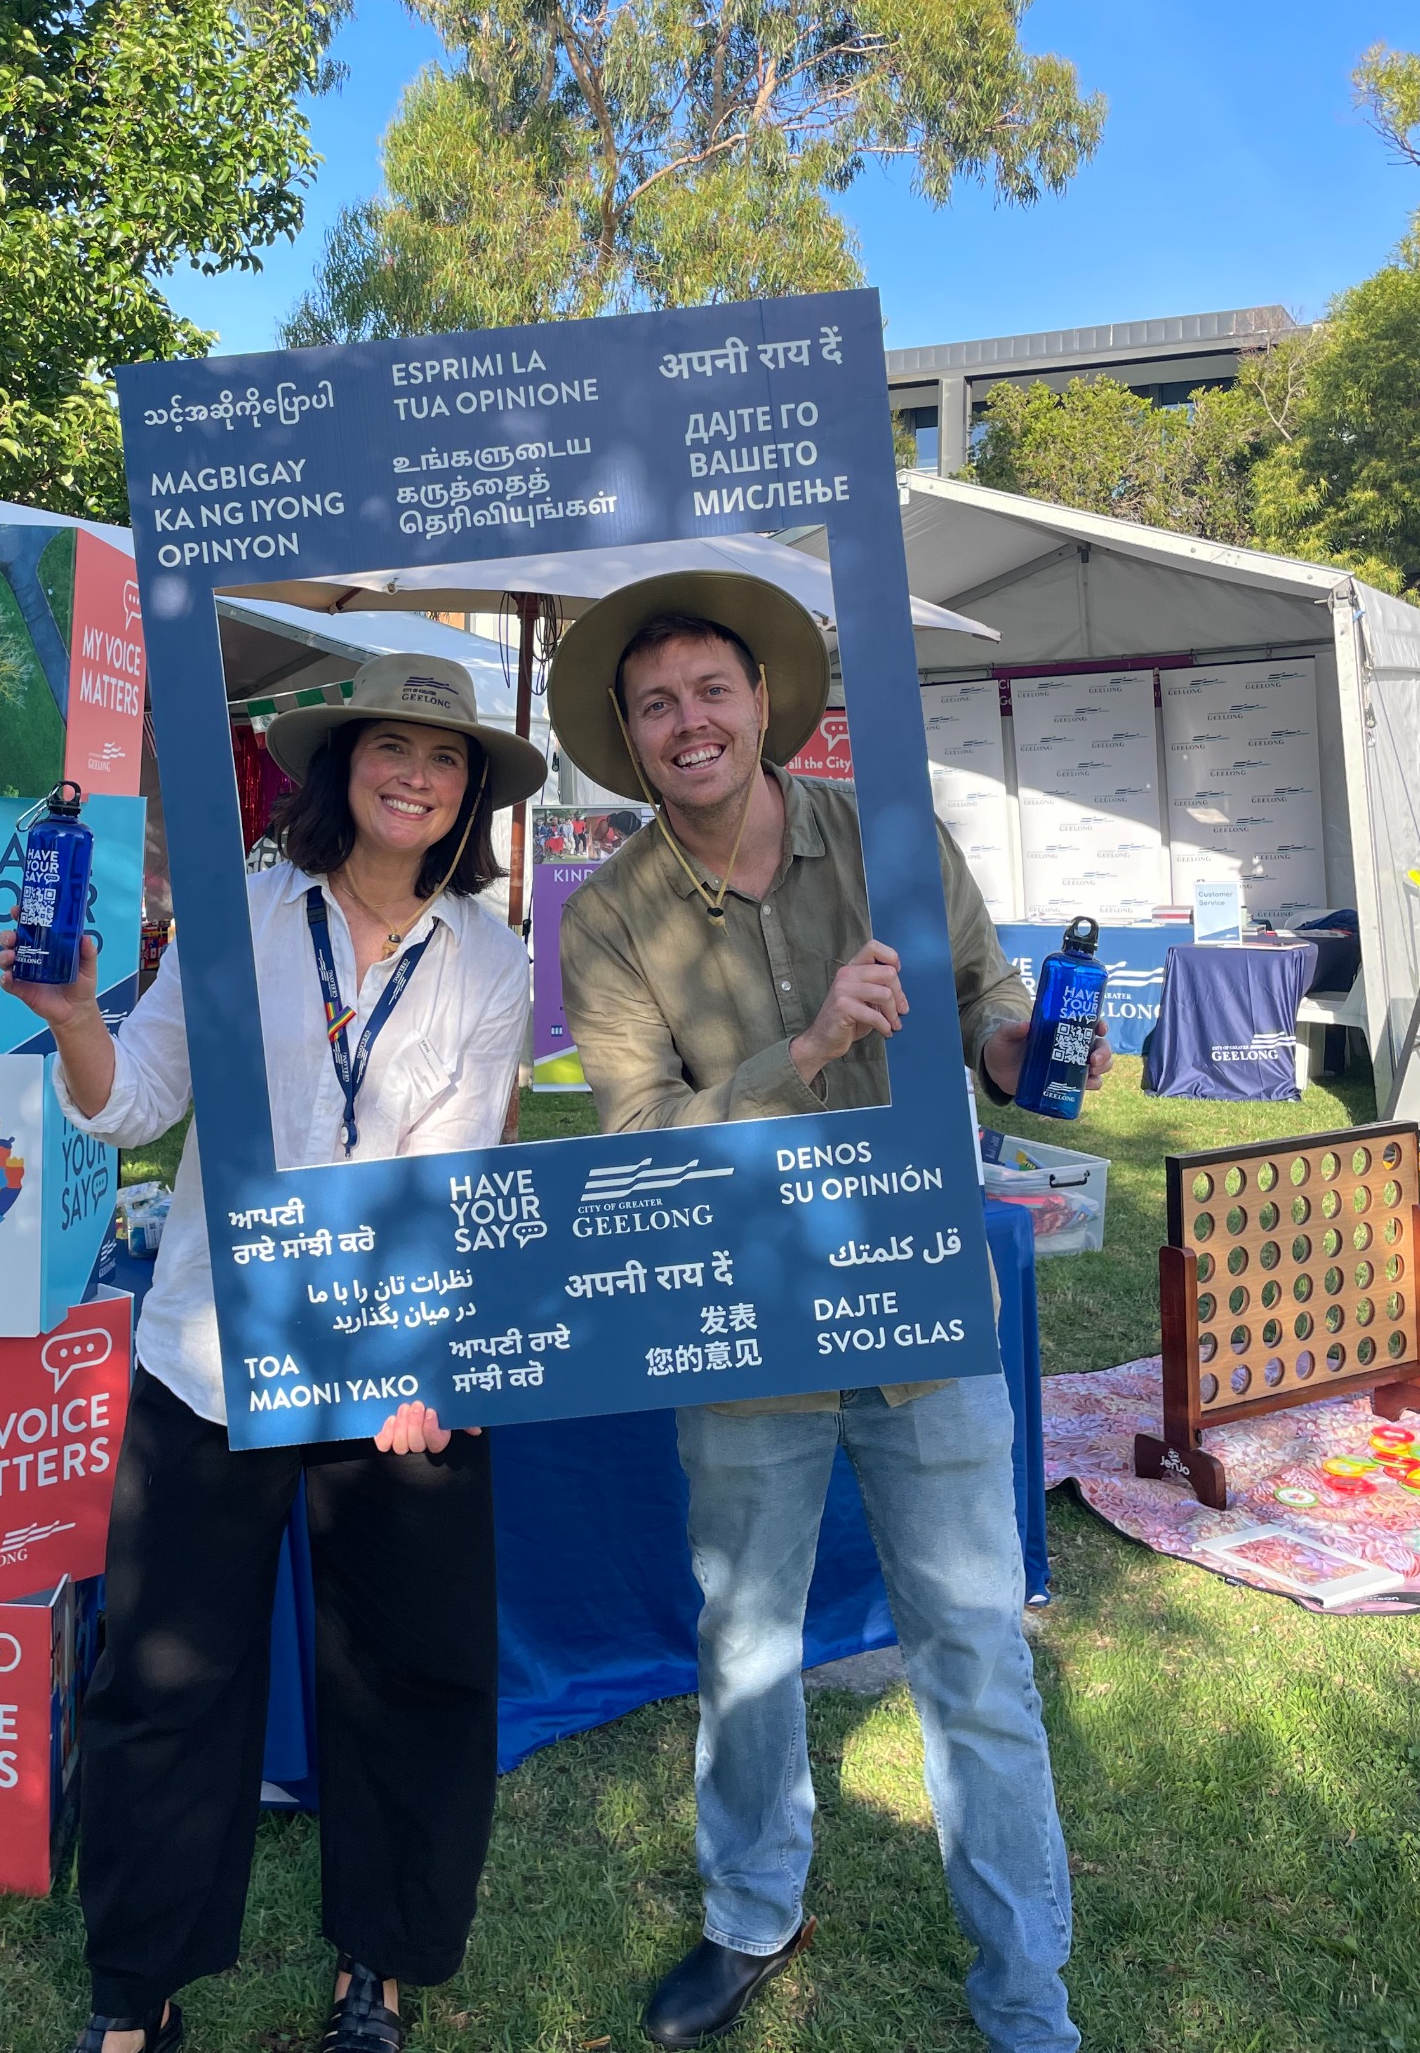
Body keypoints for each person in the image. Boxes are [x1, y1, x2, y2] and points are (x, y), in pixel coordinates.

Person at [549, 571, 1109, 2053]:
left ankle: (1024, 1985)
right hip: (743, 1318)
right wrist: (803, 1049)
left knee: (974, 1645)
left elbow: (991, 1003)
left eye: (710, 691)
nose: (689, 721)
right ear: (627, 731)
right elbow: (633, 1142)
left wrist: (1017, 1046)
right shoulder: (609, 916)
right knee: (743, 1641)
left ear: (761, 703)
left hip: (923, 1290)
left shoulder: (891, 840)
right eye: (657, 702)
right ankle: (751, 1912)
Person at [0, 655, 545, 2053]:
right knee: (166, 1677)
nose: (414, 775)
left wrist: (422, 1366)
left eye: (443, 755)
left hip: (394, 1375)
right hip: (207, 1353)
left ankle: (381, 1962)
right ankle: (140, 1990)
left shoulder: (493, 959)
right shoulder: (240, 919)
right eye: (389, 747)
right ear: (341, 765)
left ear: (470, 787)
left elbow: (450, 1168)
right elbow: (144, 1104)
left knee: (412, 1672)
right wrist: (77, 1026)